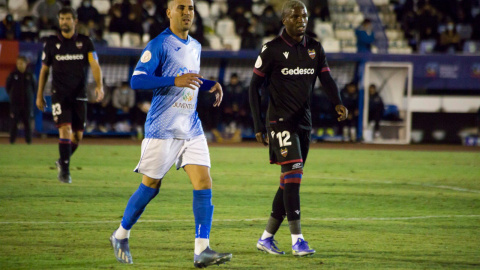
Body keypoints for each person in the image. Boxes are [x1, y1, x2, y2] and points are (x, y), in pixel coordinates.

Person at [108, 0, 232, 268]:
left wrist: (210, 84)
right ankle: (120, 235)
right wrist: (173, 81)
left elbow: (188, 77)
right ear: (169, 12)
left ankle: (202, 250)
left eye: (190, 8)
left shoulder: (196, 45)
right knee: (150, 187)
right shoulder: (159, 44)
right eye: (181, 8)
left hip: (191, 125)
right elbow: (137, 79)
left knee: (204, 182)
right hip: (162, 128)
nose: (187, 12)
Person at [249, 0, 348, 257]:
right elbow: (253, 88)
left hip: (304, 123)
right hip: (280, 122)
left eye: (303, 16)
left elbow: (326, 78)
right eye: (294, 16)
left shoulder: (315, 48)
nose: (301, 20)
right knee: (294, 176)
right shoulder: (271, 49)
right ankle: (298, 240)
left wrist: (337, 102)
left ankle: (266, 238)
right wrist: (258, 125)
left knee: (288, 182)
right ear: (284, 20)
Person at [36, 7, 104, 184]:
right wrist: (39, 95)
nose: (64, 22)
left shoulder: (85, 42)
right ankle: (65, 170)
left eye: (67, 19)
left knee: (78, 136)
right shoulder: (51, 43)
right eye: (61, 19)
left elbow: (95, 65)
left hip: (79, 94)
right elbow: (44, 70)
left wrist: (99, 86)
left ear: (75, 21)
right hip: (59, 94)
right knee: (65, 129)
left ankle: (61, 160)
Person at [6, 56, 36, 144]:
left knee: (27, 124)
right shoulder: (13, 75)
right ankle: (12, 141)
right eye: (18, 63)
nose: (20, 65)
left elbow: (34, 88)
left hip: (27, 105)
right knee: (14, 124)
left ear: (26, 64)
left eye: (21, 63)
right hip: (15, 105)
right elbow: (8, 87)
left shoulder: (30, 75)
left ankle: (28, 142)